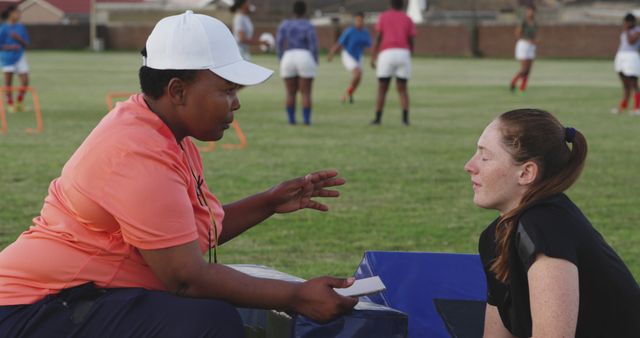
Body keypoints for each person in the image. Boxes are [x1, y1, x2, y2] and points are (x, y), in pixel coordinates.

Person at [0, 11, 358, 337]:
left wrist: (268, 201)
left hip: (66, 298)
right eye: (227, 90)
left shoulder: (161, 131)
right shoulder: (137, 150)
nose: (236, 103)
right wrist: (298, 296)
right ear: (178, 91)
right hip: (28, 308)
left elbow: (185, 237)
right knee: (206, 322)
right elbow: (184, 278)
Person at [464, 108, 640, 337]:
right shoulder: (495, 237)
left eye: (485, 156)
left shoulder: (544, 228)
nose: (470, 165)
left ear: (526, 173)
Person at [370, 0, 416, 126]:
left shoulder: (384, 17)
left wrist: (373, 55)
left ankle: (378, 118)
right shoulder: (407, 19)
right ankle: (405, 120)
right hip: (403, 53)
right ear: (402, 5)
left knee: (382, 89)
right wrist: (410, 53)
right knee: (402, 89)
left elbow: (379, 37)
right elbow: (411, 39)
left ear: (390, 4)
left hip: (387, 53)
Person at [276, 1, 318, 125]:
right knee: (306, 93)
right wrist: (315, 60)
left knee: (290, 93)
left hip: (288, 56)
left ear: (293, 11)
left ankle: (291, 120)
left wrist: (281, 58)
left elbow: (279, 42)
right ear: (305, 11)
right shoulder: (308, 25)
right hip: (304, 55)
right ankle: (306, 121)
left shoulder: (285, 24)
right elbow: (313, 44)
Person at [327, 12, 371, 104]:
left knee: (359, 78)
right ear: (355, 21)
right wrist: (332, 53)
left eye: (361, 20)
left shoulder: (365, 32)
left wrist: (374, 55)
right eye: (357, 20)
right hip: (348, 55)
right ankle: (347, 94)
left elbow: (369, 45)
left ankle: (349, 94)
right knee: (357, 74)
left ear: (363, 21)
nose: (359, 22)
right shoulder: (350, 31)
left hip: (358, 57)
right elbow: (340, 42)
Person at [0, 5, 30, 113]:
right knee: (8, 82)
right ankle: (10, 103)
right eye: (17, 13)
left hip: (19, 56)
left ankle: (19, 101)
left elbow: (26, 44)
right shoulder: (3, 28)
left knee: (25, 81)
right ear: (10, 14)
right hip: (7, 58)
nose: (19, 15)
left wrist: (19, 39)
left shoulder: (21, 27)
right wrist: (10, 47)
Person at [612, 13, 640, 115]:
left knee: (634, 84)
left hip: (632, 57)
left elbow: (631, 41)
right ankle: (623, 106)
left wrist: (627, 30)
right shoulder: (625, 31)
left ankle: (637, 108)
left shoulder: (637, 30)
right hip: (621, 56)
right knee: (625, 85)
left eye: (627, 22)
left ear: (632, 22)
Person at [509, 5, 537, 95]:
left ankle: (522, 88)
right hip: (523, 45)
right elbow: (518, 34)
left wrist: (535, 41)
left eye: (532, 11)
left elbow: (534, 34)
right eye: (529, 11)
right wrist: (527, 40)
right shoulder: (523, 22)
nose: (530, 13)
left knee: (529, 70)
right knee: (524, 69)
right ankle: (513, 82)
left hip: (531, 46)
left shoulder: (535, 23)